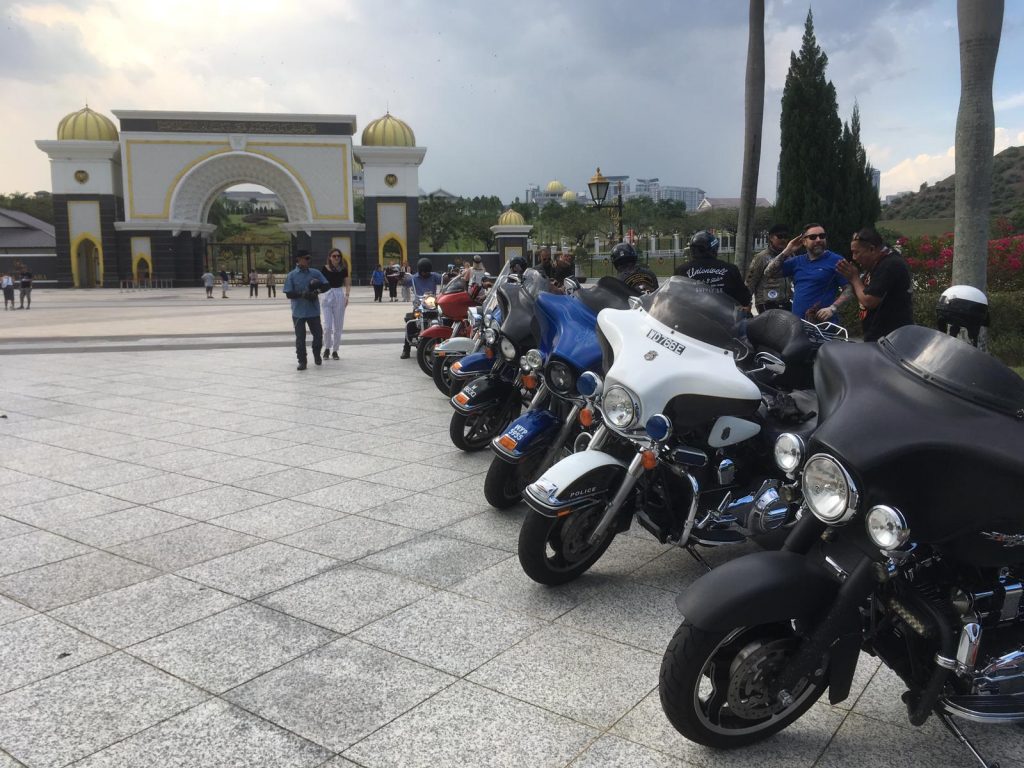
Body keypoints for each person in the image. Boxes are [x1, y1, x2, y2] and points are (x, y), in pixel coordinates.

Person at [837, 227, 914, 341]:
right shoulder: (875, 262)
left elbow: (869, 301)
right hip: (877, 337)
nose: (854, 257)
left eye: (856, 252)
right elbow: (862, 292)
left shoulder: (890, 264)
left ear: (872, 249)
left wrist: (855, 278)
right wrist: (852, 278)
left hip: (891, 340)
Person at [764, 223, 852, 323]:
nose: (818, 240)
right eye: (813, 237)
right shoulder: (797, 261)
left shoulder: (837, 261)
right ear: (804, 241)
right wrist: (788, 250)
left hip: (823, 327)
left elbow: (849, 289)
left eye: (822, 236)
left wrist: (832, 308)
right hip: (797, 325)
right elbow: (768, 273)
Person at [674, 231, 751, 309]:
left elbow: (673, 296)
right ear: (714, 249)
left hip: (689, 317)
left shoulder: (682, 270)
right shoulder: (730, 269)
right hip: (724, 318)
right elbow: (744, 299)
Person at [283, 250, 327, 370]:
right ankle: (302, 361)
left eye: (309, 258)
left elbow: (326, 285)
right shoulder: (291, 275)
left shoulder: (315, 273)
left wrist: (316, 292)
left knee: (318, 335)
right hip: (298, 312)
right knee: (300, 338)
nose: (308, 260)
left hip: (313, 311)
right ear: (299, 259)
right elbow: (288, 293)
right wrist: (303, 294)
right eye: (306, 258)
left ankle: (317, 354)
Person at [745, 224, 793, 314]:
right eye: (780, 236)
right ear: (771, 238)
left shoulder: (790, 256)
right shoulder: (761, 257)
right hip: (766, 303)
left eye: (785, 237)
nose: (783, 240)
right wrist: (747, 303)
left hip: (785, 302)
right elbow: (750, 282)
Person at [402, 257, 443, 358]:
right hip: (419, 305)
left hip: (432, 304)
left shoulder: (434, 276)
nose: (425, 273)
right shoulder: (413, 278)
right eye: (423, 271)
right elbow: (404, 282)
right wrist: (401, 278)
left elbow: (443, 278)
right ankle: (406, 349)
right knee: (411, 323)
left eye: (427, 272)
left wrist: (450, 276)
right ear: (420, 270)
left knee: (443, 319)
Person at [321, 248, 351, 360]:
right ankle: (327, 348)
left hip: (339, 294)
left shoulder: (343, 269)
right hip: (327, 295)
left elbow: (347, 283)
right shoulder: (325, 268)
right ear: (330, 257)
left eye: (338, 256)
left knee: (338, 326)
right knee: (327, 326)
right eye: (334, 256)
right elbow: (320, 282)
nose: (336, 258)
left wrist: (347, 296)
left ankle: (335, 350)